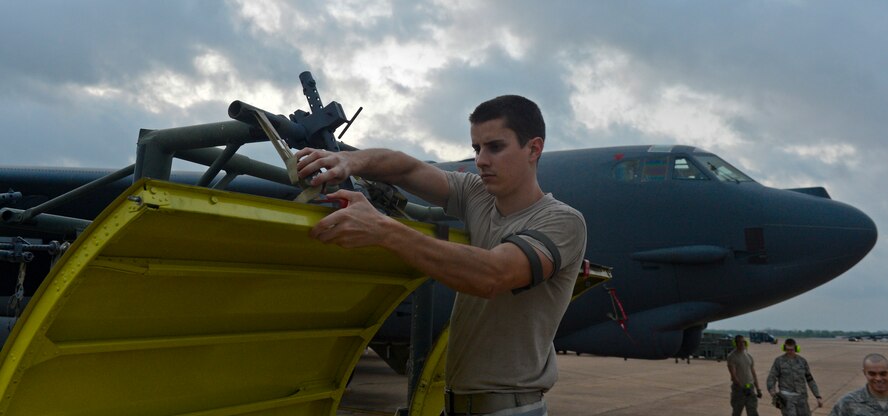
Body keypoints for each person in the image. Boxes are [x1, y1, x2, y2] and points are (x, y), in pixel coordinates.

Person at [295, 95, 587, 416]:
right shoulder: (478, 195)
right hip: (456, 405)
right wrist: (349, 161)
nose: (481, 160)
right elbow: (406, 168)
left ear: (534, 149)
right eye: (477, 149)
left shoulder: (562, 220)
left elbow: (493, 276)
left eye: (495, 147)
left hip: (510, 408)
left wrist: (383, 229)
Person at [767, 338, 823, 415]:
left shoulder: (802, 361)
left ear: (796, 348)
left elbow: (810, 379)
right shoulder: (779, 361)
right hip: (787, 398)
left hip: (802, 398)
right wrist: (772, 391)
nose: (789, 352)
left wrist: (818, 396)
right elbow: (772, 376)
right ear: (784, 348)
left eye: (791, 350)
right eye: (787, 349)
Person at [727, 335, 762, 415]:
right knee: (737, 412)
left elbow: (753, 373)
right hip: (739, 390)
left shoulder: (749, 356)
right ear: (735, 343)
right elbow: (733, 375)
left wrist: (758, 389)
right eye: (739, 342)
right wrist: (741, 388)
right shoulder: (732, 356)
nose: (742, 343)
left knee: (753, 412)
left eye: (743, 341)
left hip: (749, 387)